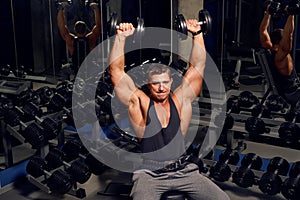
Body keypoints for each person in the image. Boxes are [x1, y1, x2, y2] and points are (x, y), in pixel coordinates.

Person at [109, 21, 230, 199]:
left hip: (184, 171)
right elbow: (116, 72)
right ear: (148, 85)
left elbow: (197, 67)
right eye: (155, 84)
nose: (161, 88)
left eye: (165, 82)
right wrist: (120, 38)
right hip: (150, 175)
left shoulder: (180, 101)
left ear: (171, 82)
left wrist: (197, 34)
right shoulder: (139, 102)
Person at [259, 4, 300, 106]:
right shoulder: (281, 56)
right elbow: (289, 34)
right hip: (293, 94)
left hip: (292, 90)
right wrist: (291, 14)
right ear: (281, 42)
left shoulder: (269, 47)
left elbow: (263, 30)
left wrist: (268, 13)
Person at [57, 1, 101, 79]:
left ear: (74, 30)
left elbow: (61, 26)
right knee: (99, 67)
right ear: (86, 29)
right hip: (89, 68)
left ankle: (67, 84)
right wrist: (96, 9)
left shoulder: (71, 40)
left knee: (64, 68)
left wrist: (61, 9)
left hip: (75, 69)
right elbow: (98, 26)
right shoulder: (91, 39)